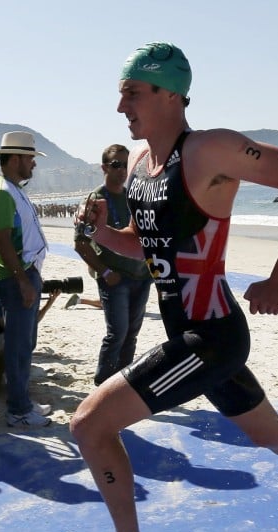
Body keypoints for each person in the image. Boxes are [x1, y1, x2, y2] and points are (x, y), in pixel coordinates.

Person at [69, 42, 278, 532]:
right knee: (269, 433)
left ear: (170, 94)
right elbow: (152, 247)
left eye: (132, 92)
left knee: (89, 425)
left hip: (211, 336)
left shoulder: (212, 150)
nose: (120, 106)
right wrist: (106, 235)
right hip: (191, 335)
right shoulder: (138, 167)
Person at [0, 131, 53, 427]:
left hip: (24, 274)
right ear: (15, 159)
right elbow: (2, 242)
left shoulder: (11, 188)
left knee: (26, 342)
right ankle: (19, 410)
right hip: (17, 278)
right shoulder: (2, 192)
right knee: (19, 344)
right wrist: (22, 279)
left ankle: (22, 402)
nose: (33, 165)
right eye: (30, 159)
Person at [74, 144, 153, 385]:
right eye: (116, 164)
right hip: (115, 278)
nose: (122, 170)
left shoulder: (134, 196)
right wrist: (105, 272)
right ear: (104, 167)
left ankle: (122, 385)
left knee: (131, 335)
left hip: (141, 276)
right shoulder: (96, 200)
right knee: (117, 334)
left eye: (125, 165)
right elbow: (80, 243)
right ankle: (103, 383)